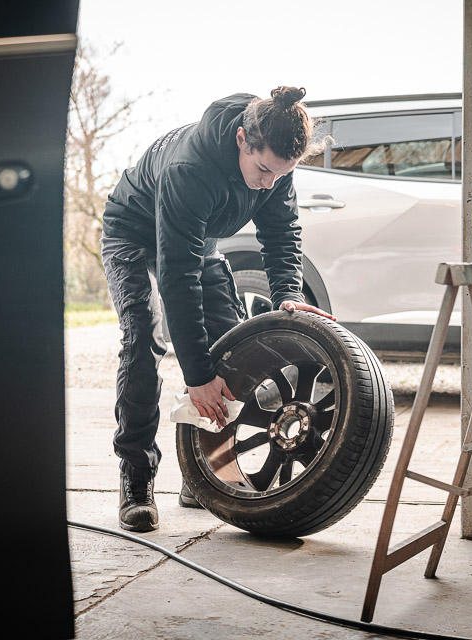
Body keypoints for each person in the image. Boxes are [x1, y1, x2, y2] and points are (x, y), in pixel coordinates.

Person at [101, 87, 334, 532]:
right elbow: (176, 278)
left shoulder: (276, 164)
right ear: (242, 139)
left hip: (195, 242)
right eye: (263, 169)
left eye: (280, 175)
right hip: (132, 233)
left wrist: (289, 293)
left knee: (232, 345)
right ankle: (136, 477)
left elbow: (282, 234)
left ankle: (201, 470)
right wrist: (196, 376)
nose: (269, 183)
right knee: (142, 340)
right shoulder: (191, 167)